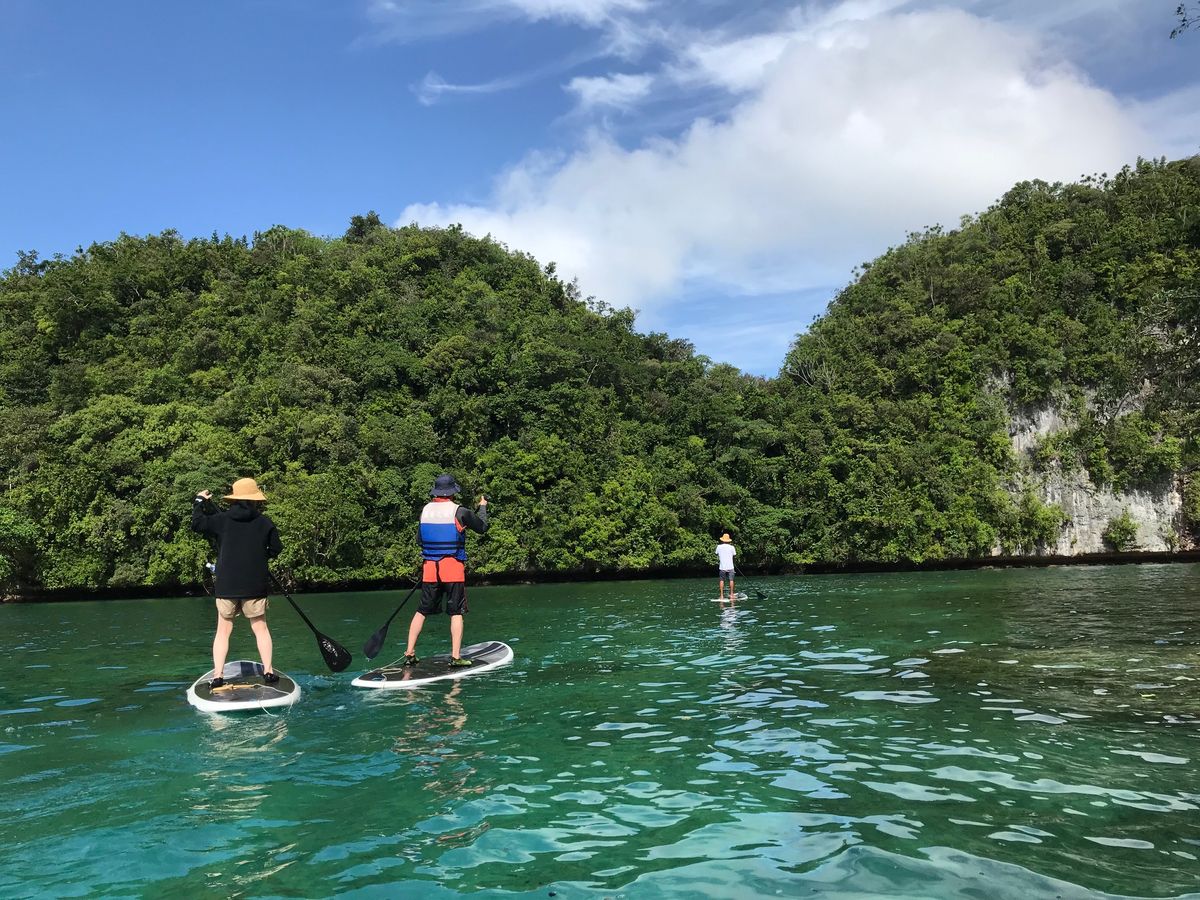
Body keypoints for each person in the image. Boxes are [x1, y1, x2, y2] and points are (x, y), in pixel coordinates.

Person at [191, 477, 283, 687]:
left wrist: (198, 502)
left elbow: (197, 524)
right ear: (254, 500)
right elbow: (276, 548)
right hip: (254, 584)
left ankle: (218, 676)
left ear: (234, 498)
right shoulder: (265, 522)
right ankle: (268, 672)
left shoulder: (221, 520)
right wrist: (261, 556)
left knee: (223, 631)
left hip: (227, 585)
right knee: (261, 629)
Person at [403, 473, 488, 667]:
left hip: (430, 569)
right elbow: (482, 527)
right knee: (456, 612)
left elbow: (419, 540)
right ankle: (456, 657)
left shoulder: (425, 511)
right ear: (452, 492)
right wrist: (482, 507)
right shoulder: (460, 512)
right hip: (452, 569)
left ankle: (409, 653)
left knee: (421, 611)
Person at [716, 533, 737, 600]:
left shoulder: (719, 547)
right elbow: (734, 556)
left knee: (721, 580)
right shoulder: (732, 547)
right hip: (730, 567)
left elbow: (717, 554)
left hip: (722, 567)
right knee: (731, 580)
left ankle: (721, 596)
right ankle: (731, 595)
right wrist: (733, 563)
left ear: (722, 540)